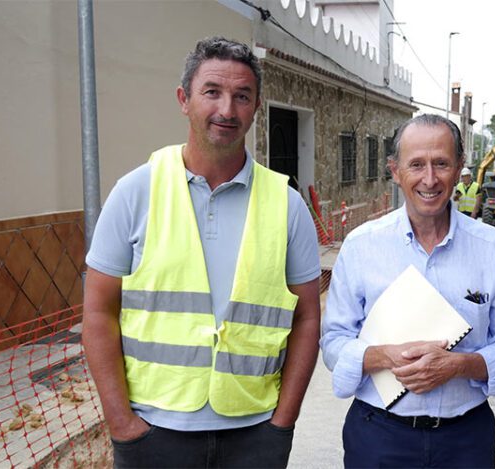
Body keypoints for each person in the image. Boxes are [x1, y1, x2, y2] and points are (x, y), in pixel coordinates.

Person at [82, 37, 321, 468]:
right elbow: (98, 313)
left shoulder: (287, 205)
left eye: (242, 96)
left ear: (256, 106)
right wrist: (121, 423)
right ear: (184, 99)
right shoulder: (135, 192)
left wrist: (282, 423)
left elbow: (307, 318)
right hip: (153, 434)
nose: (227, 110)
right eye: (212, 92)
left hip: (254, 435)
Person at [321, 114, 495, 468]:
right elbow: (334, 342)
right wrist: (386, 356)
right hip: (379, 435)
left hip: (466, 440)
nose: (429, 179)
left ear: (460, 167)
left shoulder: (493, 248)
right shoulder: (361, 246)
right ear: (395, 171)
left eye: (441, 164)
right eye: (416, 164)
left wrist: (459, 366)